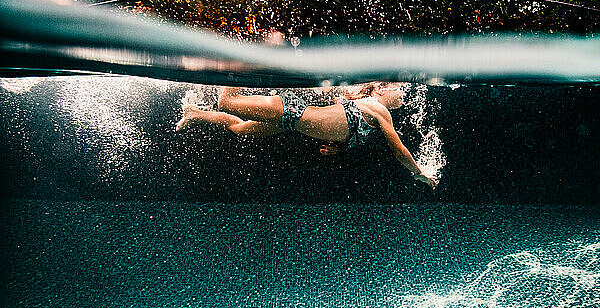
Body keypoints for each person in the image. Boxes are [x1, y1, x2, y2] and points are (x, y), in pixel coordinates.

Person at [176, 82, 437, 189]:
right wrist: (419, 172)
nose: (405, 93)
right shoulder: (376, 108)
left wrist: (338, 148)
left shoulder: (369, 110)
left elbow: (340, 125)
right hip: (292, 111)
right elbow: (399, 151)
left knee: (239, 128)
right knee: (227, 103)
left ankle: (194, 113)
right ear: (380, 90)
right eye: (400, 88)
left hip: (291, 121)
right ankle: (231, 63)